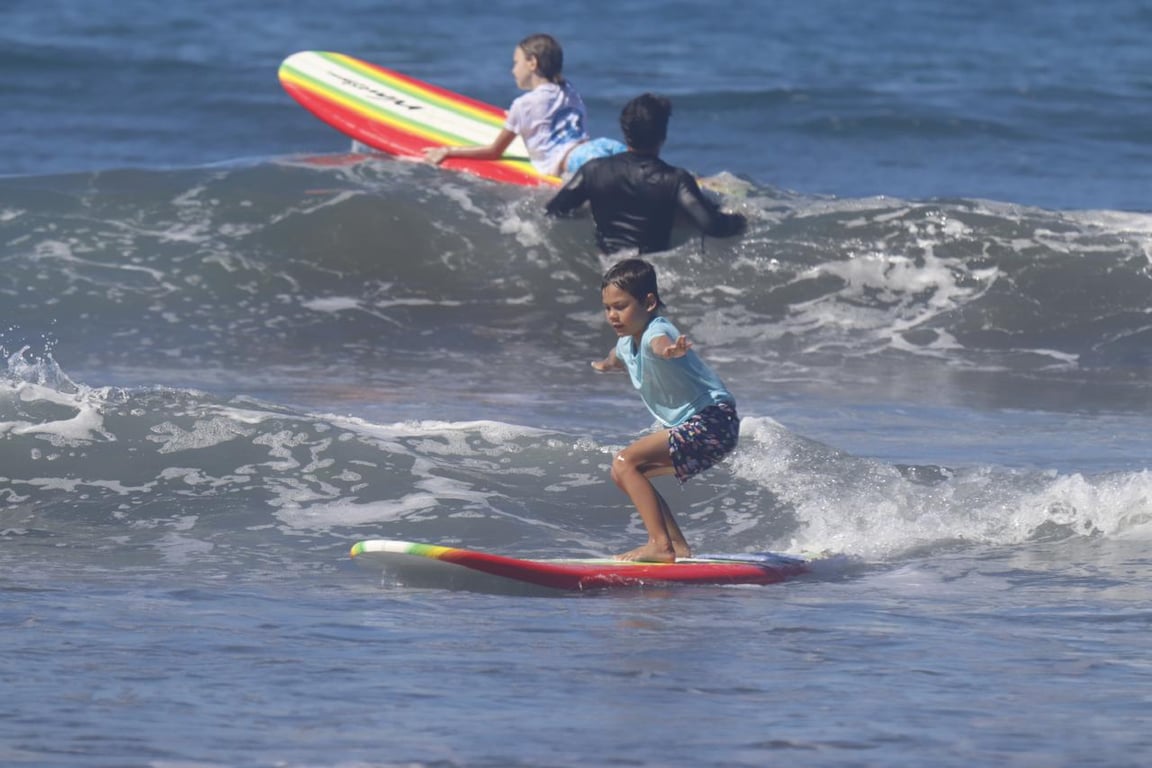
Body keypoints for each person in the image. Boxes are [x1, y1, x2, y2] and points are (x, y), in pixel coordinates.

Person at [591, 258, 740, 562]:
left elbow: (659, 344)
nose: (612, 315)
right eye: (607, 308)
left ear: (649, 302)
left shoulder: (656, 331)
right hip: (705, 428)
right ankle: (677, 546)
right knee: (625, 474)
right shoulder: (626, 343)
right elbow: (616, 355)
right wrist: (605, 365)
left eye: (620, 306)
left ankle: (659, 545)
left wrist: (670, 352)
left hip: (712, 420)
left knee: (624, 462)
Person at [545, 93, 748, 255]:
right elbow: (712, 225)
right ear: (663, 136)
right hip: (649, 270)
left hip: (606, 263)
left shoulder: (593, 170)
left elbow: (555, 209)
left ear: (625, 132)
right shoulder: (675, 179)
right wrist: (742, 220)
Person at [423, 34, 625, 178]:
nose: (513, 70)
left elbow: (494, 151)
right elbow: (548, 109)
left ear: (532, 63)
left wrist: (448, 151)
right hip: (603, 145)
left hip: (580, 161)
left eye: (516, 62)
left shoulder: (523, 106)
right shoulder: (568, 89)